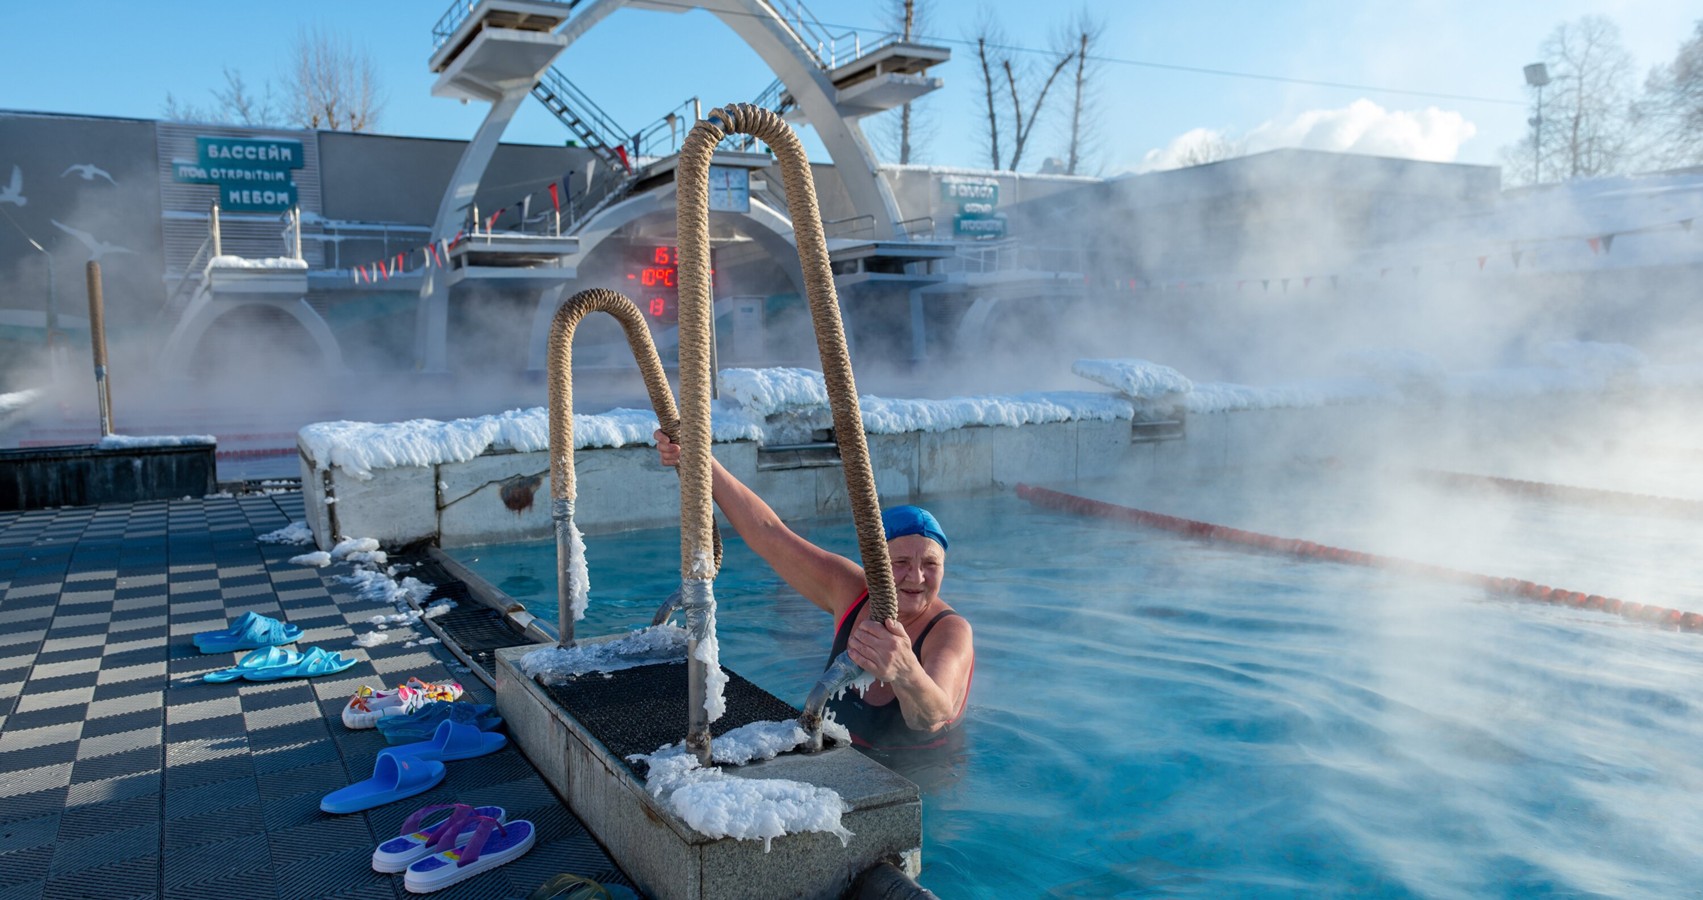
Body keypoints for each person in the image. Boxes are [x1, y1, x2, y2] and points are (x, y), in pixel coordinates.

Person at [654, 430, 974, 749]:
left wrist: (906, 671)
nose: (917, 577)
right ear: (876, 562)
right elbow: (769, 535)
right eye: (901, 561)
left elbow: (932, 715)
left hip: (922, 778)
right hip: (833, 757)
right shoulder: (851, 588)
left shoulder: (949, 631)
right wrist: (700, 459)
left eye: (931, 564)